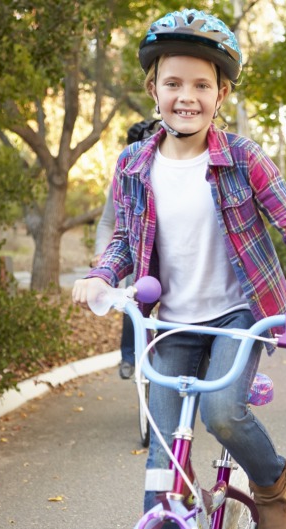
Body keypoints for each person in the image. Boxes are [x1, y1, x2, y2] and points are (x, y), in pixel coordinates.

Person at [73, 9, 286, 529]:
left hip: (238, 315)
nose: (186, 96)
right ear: (153, 89)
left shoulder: (243, 158)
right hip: (170, 321)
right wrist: (101, 275)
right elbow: (124, 239)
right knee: (165, 444)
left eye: (201, 85)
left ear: (221, 93)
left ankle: (271, 485)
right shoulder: (132, 164)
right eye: (173, 83)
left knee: (221, 412)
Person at [94, 119, 161, 380]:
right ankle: (128, 356)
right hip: (137, 260)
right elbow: (108, 222)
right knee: (132, 302)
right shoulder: (123, 178)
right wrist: (101, 257)